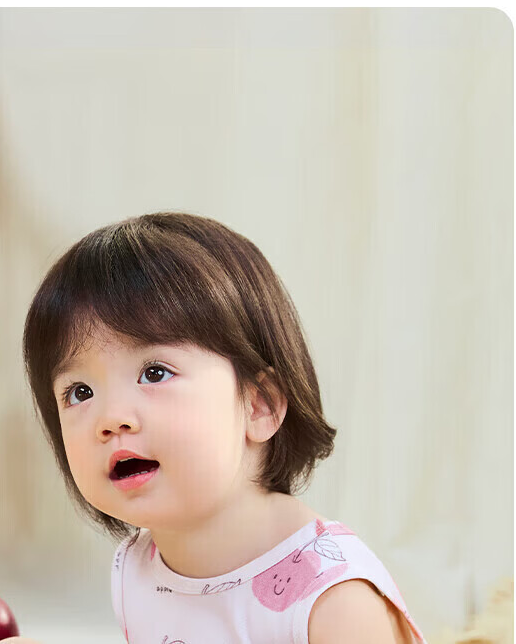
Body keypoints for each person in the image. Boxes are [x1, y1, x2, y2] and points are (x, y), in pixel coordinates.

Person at [21, 212, 427, 643]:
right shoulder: (137, 568)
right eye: (80, 392)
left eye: (155, 373)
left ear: (259, 404)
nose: (110, 418)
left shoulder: (334, 601)